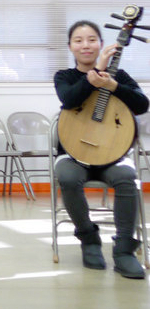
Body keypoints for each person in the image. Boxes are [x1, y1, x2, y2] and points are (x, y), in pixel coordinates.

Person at [54, 20, 148, 279]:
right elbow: (70, 99)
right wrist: (96, 73)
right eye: (79, 40)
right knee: (68, 177)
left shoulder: (121, 77)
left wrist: (113, 85)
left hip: (113, 154)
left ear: (102, 44)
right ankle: (89, 239)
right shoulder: (64, 77)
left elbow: (142, 105)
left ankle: (124, 251)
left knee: (127, 178)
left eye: (92, 39)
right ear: (70, 46)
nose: (86, 45)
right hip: (73, 154)